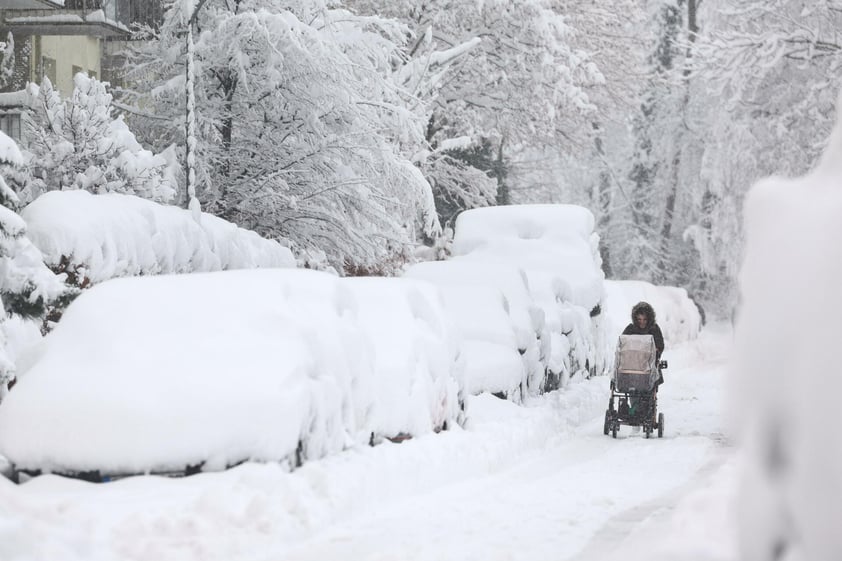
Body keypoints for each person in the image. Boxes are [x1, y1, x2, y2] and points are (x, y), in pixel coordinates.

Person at [622, 301, 665, 423]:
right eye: (639, 319)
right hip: (633, 366)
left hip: (649, 366)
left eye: (644, 319)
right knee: (632, 389)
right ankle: (633, 411)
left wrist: (656, 351)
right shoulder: (630, 329)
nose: (642, 322)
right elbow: (623, 343)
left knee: (648, 391)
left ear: (649, 319)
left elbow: (660, 345)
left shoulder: (654, 329)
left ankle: (647, 413)